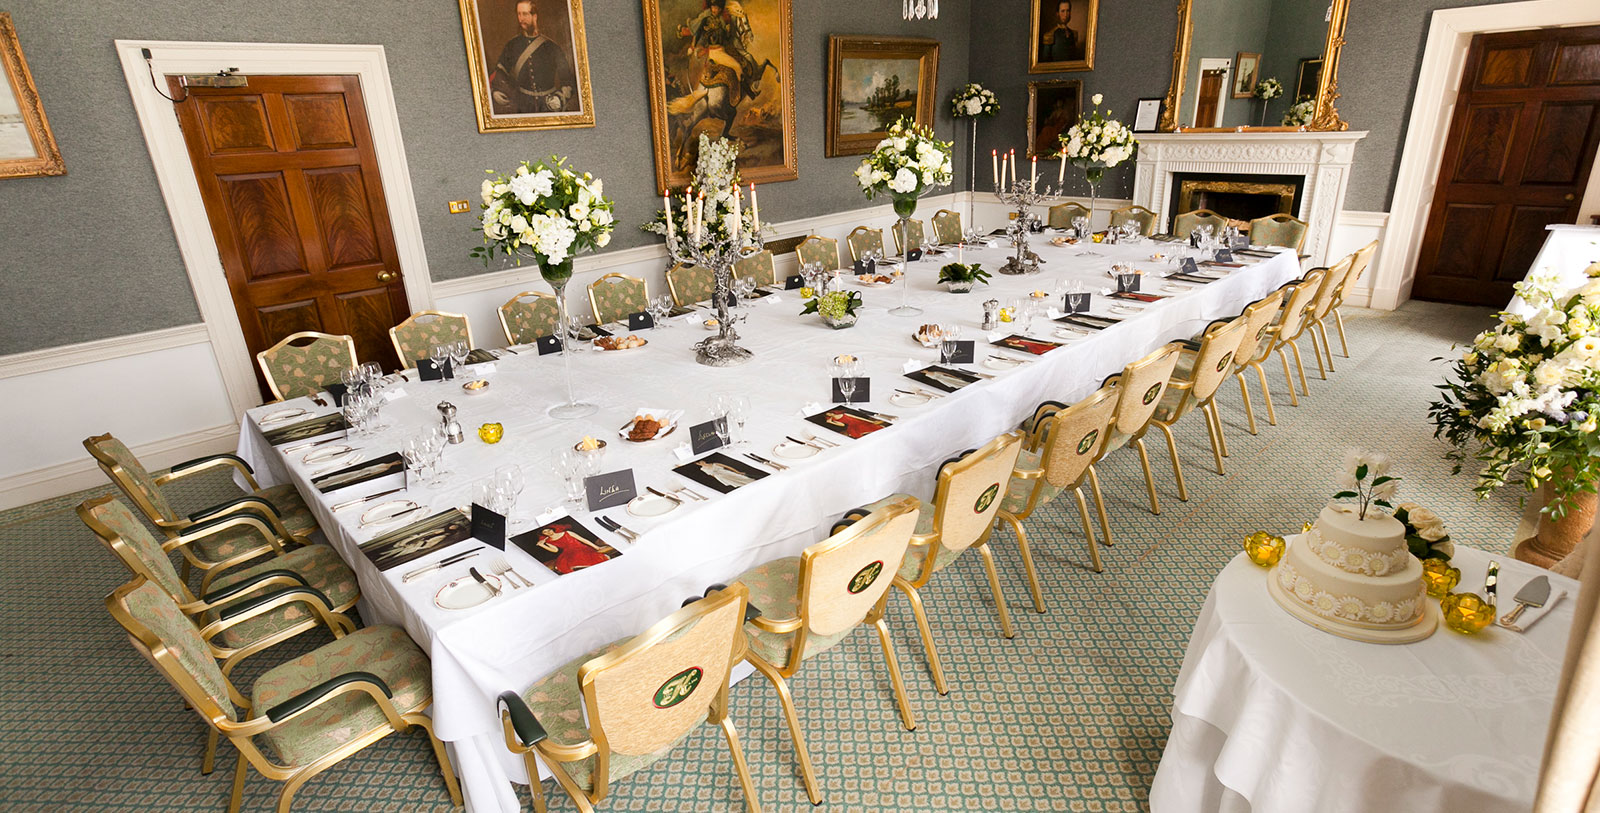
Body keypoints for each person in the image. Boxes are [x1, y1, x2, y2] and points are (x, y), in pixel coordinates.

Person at [489, 0, 577, 115]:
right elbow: (499, 72)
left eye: (525, 14)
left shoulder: (552, 47)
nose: (521, 19)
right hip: (522, 106)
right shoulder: (512, 45)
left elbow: (568, 81)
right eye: (518, 14)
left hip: (548, 106)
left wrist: (559, 98)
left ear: (534, 16)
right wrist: (495, 91)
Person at [534, 525, 615, 574]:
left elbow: (582, 539)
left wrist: (596, 547)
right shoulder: (549, 541)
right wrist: (542, 545)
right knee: (570, 560)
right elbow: (555, 550)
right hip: (568, 552)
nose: (549, 532)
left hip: (581, 548)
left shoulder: (566, 533)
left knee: (584, 555)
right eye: (545, 532)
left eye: (549, 530)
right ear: (543, 534)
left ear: (552, 529)